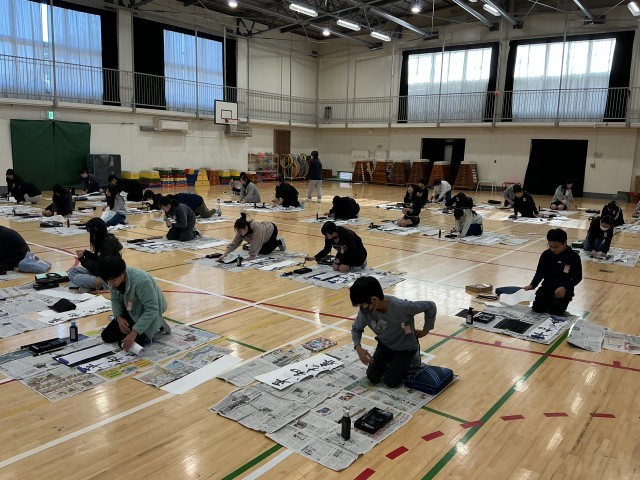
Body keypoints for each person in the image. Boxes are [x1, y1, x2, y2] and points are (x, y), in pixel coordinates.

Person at [350, 276, 436, 388]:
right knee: (372, 377)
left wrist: (425, 330)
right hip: (385, 345)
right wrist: (358, 348)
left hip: (405, 348)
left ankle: (409, 359)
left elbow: (430, 306)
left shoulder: (401, 306)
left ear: (374, 300)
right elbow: (356, 329)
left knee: (391, 382)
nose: (361, 308)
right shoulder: (365, 312)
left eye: (362, 305)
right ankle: (393, 361)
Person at [98, 256, 170, 352]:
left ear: (123, 272)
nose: (111, 283)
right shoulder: (113, 279)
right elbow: (115, 300)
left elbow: (152, 309)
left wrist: (135, 332)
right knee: (106, 336)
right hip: (130, 307)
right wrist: (119, 318)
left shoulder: (142, 281)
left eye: (113, 280)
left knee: (125, 343)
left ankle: (158, 322)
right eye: (108, 281)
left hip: (149, 311)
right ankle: (136, 325)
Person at [524, 228, 582, 315]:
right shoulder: (546, 255)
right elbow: (540, 272)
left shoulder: (573, 257)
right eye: (550, 246)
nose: (553, 249)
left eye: (556, 247)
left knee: (556, 312)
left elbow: (577, 277)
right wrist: (532, 285)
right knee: (537, 309)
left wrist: (565, 287)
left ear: (564, 243)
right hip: (547, 288)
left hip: (562, 291)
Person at [68, 218, 122, 292]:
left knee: (77, 278)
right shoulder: (103, 240)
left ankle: (93, 287)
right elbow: (99, 259)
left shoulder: (108, 245)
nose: (91, 235)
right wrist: (87, 254)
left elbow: (99, 268)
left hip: (107, 278)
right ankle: (80, 288)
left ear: (96, 230)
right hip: (99, 273)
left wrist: (82, 260)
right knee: (73, 270)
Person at [219, 213, 285, 261]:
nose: (238, 233)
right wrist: (224, 255)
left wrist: (252, 256)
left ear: (246, 228)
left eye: (239, 231)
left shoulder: (256, 228)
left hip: (271, 231)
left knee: (265, 251)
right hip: (261, 236)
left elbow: (256, 242)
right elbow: (234, 244)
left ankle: (279, 241)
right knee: (257, 249)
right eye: (237, 231)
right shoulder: (240, 230)